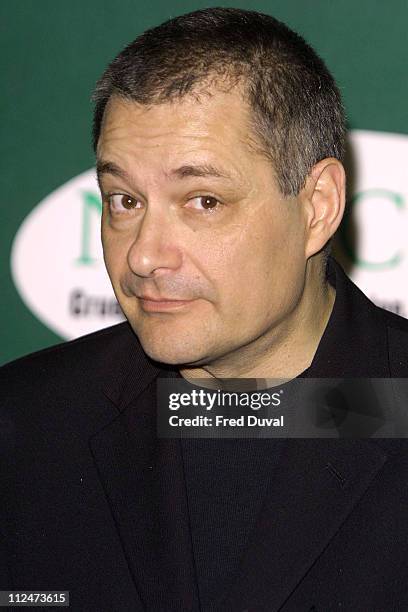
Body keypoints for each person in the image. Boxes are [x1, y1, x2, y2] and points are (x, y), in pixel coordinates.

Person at [1, 7, 407, 611]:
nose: (142, 256)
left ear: (317, 207)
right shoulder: (24, 425)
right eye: (124, 199)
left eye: (203, 200)